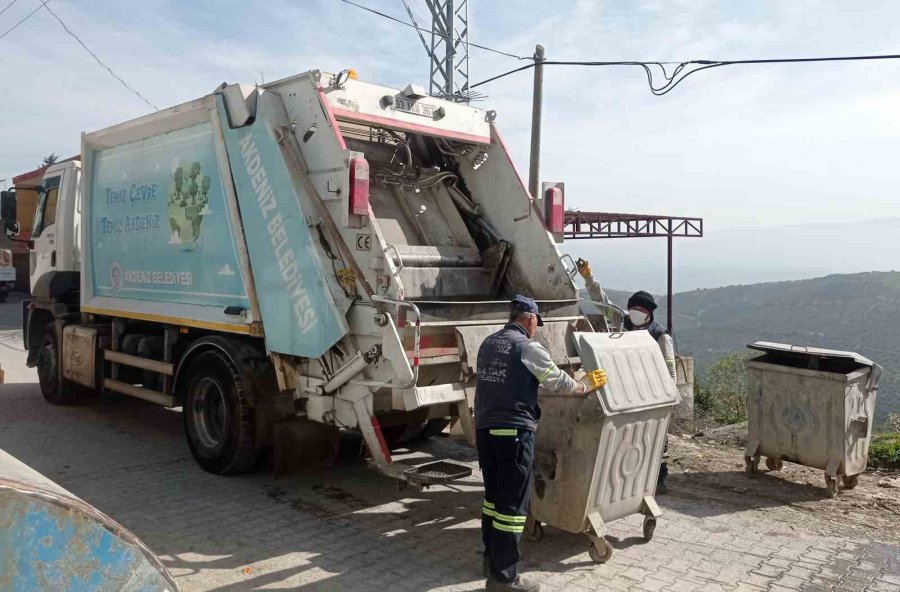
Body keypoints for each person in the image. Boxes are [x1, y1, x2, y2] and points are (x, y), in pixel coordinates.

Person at [475, 295, 607, 592]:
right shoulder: (528, 347)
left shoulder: (488, 343)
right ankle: (504, 579)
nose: (536, 328)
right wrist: (585, 385)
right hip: (513, 434)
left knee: (493, 500)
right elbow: (556, 381)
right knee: (512, 508)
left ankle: (490, 560)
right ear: (530, 318)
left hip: (486, 432)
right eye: (537, 323)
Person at [623, 290, 676, 493]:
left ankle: (660, 478)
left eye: (641, 309)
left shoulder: (660, 335)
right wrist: (590, 280)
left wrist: (669, 399)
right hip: (629, 391)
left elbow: (670, 369)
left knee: (657, 437)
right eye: (633, 308)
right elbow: (602, 303)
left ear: (649, 312)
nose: (636, 312)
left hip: (653, 393)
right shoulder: (625, 325)